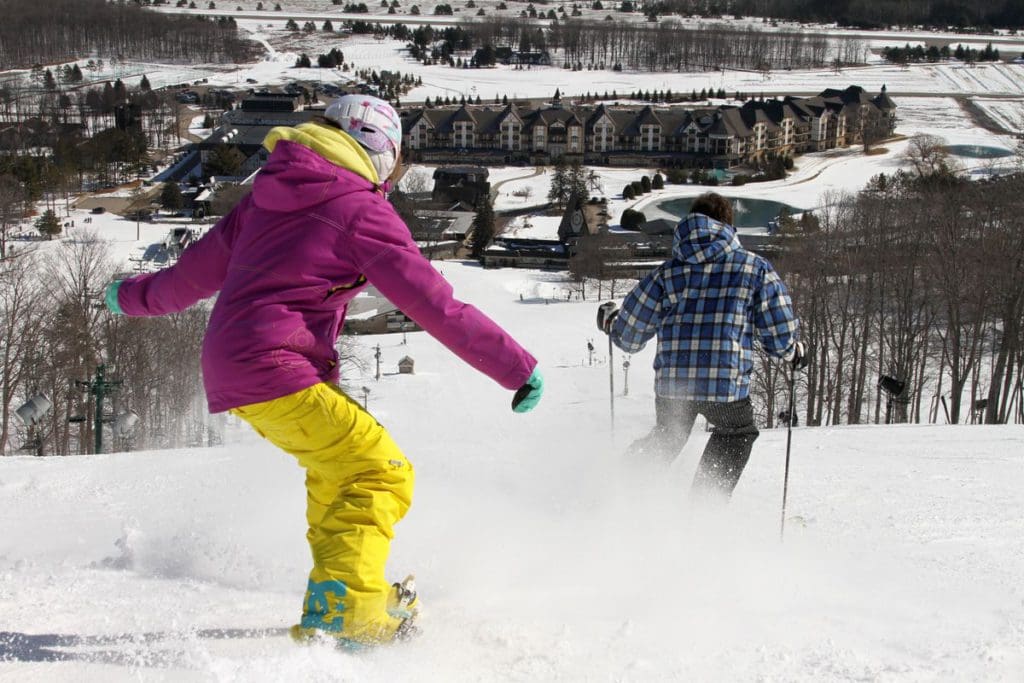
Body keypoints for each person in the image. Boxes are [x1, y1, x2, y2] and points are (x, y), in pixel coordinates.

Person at [104, 95, 544, 648]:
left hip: (233, 364)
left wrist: (130, 296)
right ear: (381, 154)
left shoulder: (264, 197)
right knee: (380, 472)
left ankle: (339, 596)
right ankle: (350, 614)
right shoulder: (361, 211)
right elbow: (435, 304)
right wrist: (516, 368)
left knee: (338, 474)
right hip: (276, 366)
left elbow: (188, 278)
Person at [596, 192, 805, 498]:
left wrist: (612, 323)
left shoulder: (666, 273)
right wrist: (793, 351)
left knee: (669, 436)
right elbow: (779, 334)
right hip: (726, 386)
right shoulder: (754, 269)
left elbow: (630, 334)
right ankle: (704, 508)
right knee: (736, 434)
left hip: (674, 385)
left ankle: (616, 489)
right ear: (728, 225)